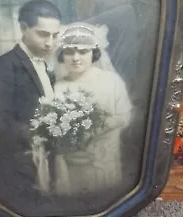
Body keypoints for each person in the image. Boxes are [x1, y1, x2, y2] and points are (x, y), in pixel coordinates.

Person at [35, 22, 133, 197]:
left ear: (94, 53)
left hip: (103, 161)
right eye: (69, 52)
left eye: (83, 51)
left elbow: (124, 116)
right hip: (70, 164)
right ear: (62, 55)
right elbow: (51, 129)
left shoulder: (111, 82)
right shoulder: (57, 87)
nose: (76, 58)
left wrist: (94, 130)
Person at [0, 0, 61, 213]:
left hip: (46, 154)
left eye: (55, 35)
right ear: (23, 29)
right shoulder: (4, 66)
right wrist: (35, 135)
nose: (50, 43)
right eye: (43, 34)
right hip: (18, 158)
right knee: (25, 210)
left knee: (48, 203)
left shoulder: (45, 64)